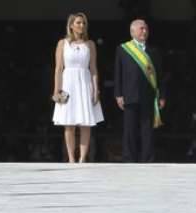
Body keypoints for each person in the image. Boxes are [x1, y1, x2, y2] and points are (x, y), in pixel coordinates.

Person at [52, 13, 104, 164]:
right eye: (79, 23)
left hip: (85, 82)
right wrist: (56, 90)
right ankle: (71, 158)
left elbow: (94, 69)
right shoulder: (62, 43)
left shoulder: (90, 44)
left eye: (83, 23)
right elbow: (58, 68)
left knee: (85, 123)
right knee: (69, 123)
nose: (82, 26)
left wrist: (96, 90)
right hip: (68, 83)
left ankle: (82, 158)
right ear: (71, 25)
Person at [114, 19, 166, 163]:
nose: (144, 31)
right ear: (133, 32)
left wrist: (162, 95)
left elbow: (160, 76)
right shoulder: (123, 49)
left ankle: (148, 159)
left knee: (147, 130)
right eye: (141, 29)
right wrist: (118, 94)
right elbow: (118, 74)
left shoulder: (154, 51)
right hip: (129, 95)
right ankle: (128, 159)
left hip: (148, 95)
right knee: (129, 130)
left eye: (146, 29)